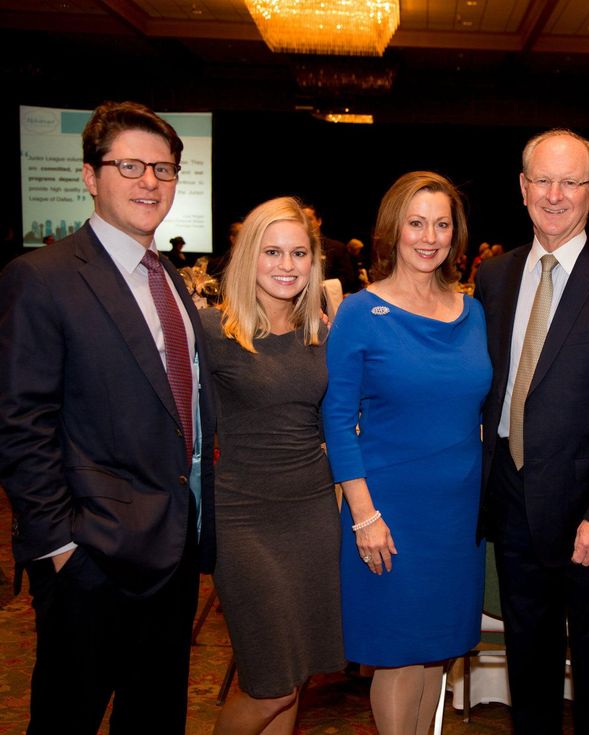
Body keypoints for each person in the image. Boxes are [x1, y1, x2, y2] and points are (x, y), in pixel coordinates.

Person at [0, 100, 216, 734]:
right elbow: (20, 422)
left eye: (164, 168)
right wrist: (61, 546)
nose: (150, 181)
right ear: (91, 177)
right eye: (130, 166)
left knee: (155, 719)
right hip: (90, 558)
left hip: (172, 551)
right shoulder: (41, 277)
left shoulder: (171, 279)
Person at [473, 129, 589, 734]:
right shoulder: (494, 277)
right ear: (523, 188)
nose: (555, 195)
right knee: (529, 657)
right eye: (542, 180)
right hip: (511, 493)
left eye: (571, 182)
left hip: (588, 511)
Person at [322, 171, 491, 735]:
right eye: (416, 223)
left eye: (441, 224)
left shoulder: (473, 313)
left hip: (458, 518)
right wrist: (365, 516)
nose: (429, 236)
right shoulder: (359, 313)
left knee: (435, 655)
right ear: (392, 230)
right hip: (388, 514)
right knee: (397, 657)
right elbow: (338, 421)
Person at [202, 197, 344, 734]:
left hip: (311, 516)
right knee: (270, 686)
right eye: (272, 252)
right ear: (247, 258)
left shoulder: (324, 335)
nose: (286, 265)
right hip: (243, 520)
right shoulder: (212, 332)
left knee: (297, 678)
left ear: (314, 262)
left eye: (298, 253)